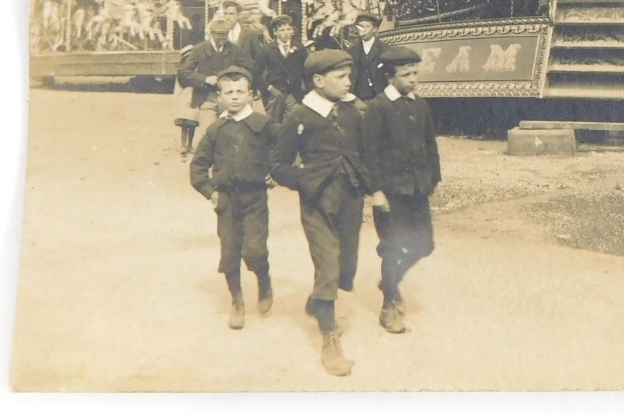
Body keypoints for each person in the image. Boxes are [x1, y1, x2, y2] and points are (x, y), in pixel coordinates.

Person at [269, 50, 373, 376]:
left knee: (346, 268)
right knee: (328, 265)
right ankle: (329, 337)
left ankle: (317, 303)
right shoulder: (300, 116)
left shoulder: (353, 111)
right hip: (318, 201)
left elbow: (364, 150)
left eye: (349, 75)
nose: (348, 81)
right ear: (318, 80)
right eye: (340, 76)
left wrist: (372, 183)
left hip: (351, 197)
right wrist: (304, 180)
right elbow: (278, 164)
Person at [189, 67, 278, 330]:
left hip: (255, 198)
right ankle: (237, 301)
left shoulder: (263, 125)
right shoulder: (216, 130)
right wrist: (211, 192)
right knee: (229, 253)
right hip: (226, 199)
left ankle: (264, 281)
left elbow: (284, 151)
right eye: (229, 93)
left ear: (251, 95)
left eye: (241, 91)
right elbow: (197, 167)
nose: (235, 97)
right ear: (219, 98)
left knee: (255, 249)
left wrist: (275, 173)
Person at [362, 46, 441, 334]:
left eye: (415, 73)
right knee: (393, 249)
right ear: (390, 77)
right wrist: (376, 191)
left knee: (425, 245)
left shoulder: (419, 105)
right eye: (406, 74)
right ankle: (388, 305)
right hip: (390, 192)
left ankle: (389, 281)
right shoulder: (378, 108)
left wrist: (432, 178)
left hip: (417, 188)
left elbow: (430, 143)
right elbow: (368, 154)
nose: (413, 79)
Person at [178, 19, 245, 139]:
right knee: (208, 134)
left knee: (229, 134)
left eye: (225, 34)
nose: (222, 38)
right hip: (206, 96)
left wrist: (232, 78)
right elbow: (184, 73)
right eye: (219, 35)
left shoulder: (235, 50)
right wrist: (205, 79)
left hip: (229, 97)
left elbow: (246, 70)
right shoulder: (199, 49)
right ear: (211, 33)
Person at [253, 14, 309, 123]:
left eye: (288, 29)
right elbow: (255, 74)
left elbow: (306, 71)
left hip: (294, 92)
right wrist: (269, 88)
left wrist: (307, 91)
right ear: (275, 32)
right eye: (282, 30)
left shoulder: (299, 48)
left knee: (295, 119)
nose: (286, 33)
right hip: (274, 94)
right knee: (274, 123)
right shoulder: (267, 50)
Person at [349, 12, 388, 102]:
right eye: (360, 26)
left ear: (374, 29)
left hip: (379, 97)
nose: (363, 30)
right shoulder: (352, 50)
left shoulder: (384, 48)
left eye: (367, 26)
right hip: (359, 98)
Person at [220, 0, 263, 70]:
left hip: (245, 74)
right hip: (225, 75)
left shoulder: (250, 33)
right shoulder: (219, 33)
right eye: (225, 14)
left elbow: (258, 58)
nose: (227, 17)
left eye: (231, 14)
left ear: (239, 15)